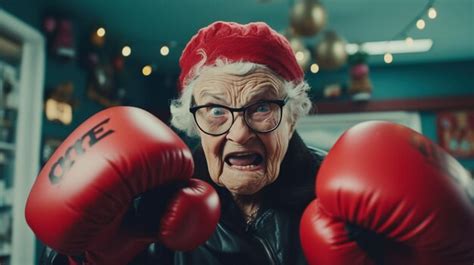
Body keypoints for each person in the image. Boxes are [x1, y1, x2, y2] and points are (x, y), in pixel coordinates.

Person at [27, 21, 473, 265]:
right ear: (191, 121)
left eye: (261, 108)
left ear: (292, 114)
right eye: (216, 110)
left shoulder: (349, 196)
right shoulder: (146, 198)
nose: (239, 132)